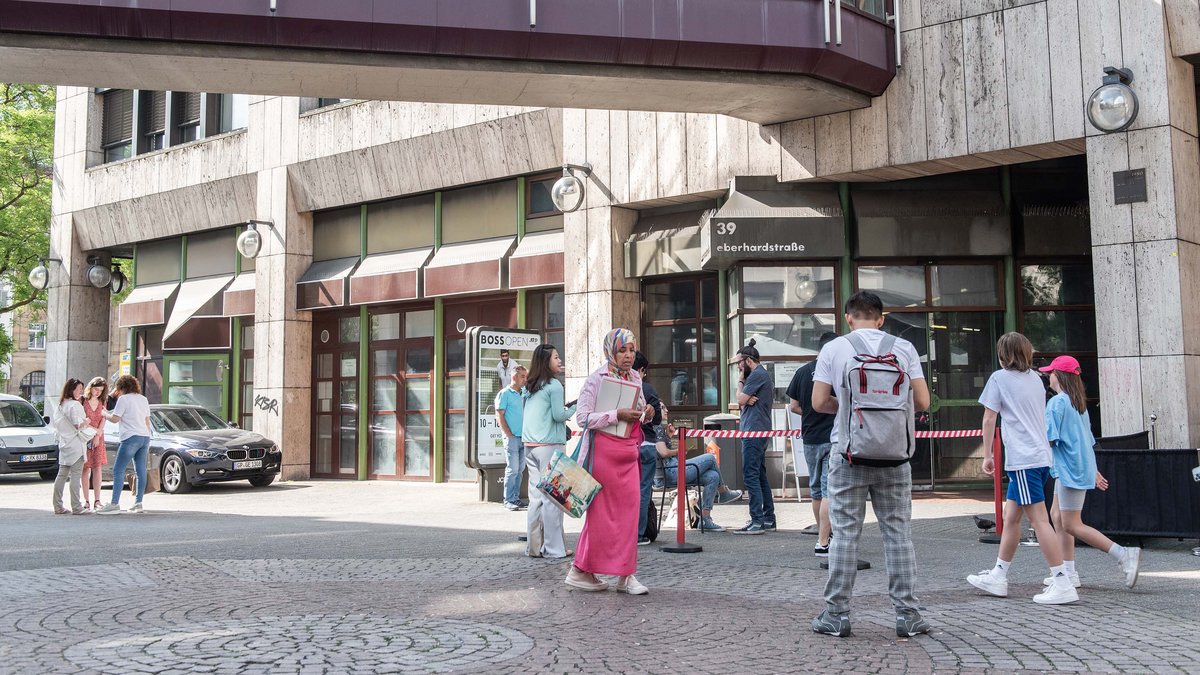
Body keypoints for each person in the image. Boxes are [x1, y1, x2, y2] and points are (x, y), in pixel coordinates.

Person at [810, 291, 932, 638]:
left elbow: (819, 402)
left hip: (849, 452)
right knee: (897, 534)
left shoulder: (834, 348)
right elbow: (923, 400)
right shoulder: (904, 348)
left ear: (848, 318)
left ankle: (836, 614)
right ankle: (908, 615)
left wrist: (851, 405)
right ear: (881, 318)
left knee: (846, 533)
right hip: (895, 455)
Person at [966, 333, 1078, 604]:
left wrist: (988, 455)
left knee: (1039, 520)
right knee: (1011, 517)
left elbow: (989, 417)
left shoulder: (999, 378)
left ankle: (1062, 581)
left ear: (1003, 354)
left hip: (1023, 459)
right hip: (1039, 457)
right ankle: (999, 575)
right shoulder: (1036, 381)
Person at [566, 328, 654, 595]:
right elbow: (582, 418)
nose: (628, 356)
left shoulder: (636, 377)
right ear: (610, 352)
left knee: (630, 515)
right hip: (603, 455)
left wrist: (647, 413)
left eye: (631, 350)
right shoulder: (595, 379)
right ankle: (581, 569)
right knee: (599, 517)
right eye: (622, 350)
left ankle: (626, 575)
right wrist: (616, 414)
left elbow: (638, 413)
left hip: (628, 452)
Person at [1040, 355, 1141, 589]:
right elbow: (1088, 441)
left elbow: (1049, 439)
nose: (1048, 377)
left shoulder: (1056, 403)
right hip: (1075, 468)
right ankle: (1068, 571)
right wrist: (1092, 470)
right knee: (1058, 517)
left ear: (1059, 377)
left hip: (1068, 470)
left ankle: (1123, 554)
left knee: (1072, 524)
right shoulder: (1079, 405)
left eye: (1051, 373)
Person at [521, 344, 576, 558]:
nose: (559, 360)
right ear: (546, 362)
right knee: (553, 499)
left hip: (530, 447)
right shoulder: (554, 386)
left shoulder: (530, 386)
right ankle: (554, 549)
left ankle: (534, 547)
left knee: (536, 498)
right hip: (549, 446)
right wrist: (574, 408)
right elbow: (558, 416)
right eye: (556, 357)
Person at [787, 331, 838, 557]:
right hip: (832, 437)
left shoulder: (802, 372)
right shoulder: (837, 372)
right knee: (829, 491)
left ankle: (822, 532)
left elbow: (793, 405)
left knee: (816, 491)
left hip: (809, 438)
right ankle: (824, 540)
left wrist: (810, 410)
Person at [653, 419, 738, 532]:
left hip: (671, 470)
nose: (666, 410)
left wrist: (668, 436)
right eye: (663, 407)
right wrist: (679, 450)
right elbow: (663, 452)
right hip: (671, 472)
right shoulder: (657, 427)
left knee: (713, 476)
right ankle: (723, 492)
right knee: (710, 458)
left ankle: (705, 518)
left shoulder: (658, 429)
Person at [732, 338, 775, 534]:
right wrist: (745, 399)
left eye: (741, 365)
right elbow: (743, 401)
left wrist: (741, 383)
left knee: (750, 475)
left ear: (749, 361)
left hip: (753, 431)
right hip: (758, 430)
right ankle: (768, 518)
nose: (740, 369)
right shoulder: (760, 375)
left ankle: (757, 521)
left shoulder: (756, 375)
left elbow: (739, 399)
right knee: (759, 475)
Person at [95, 375, 152, 515]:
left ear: (122, 387)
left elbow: (115, 419)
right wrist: (149, 438)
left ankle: (114, 503)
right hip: (144, 437)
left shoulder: (124, 399)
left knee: (118, 470)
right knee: (140, 471)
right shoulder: (143, 399)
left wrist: (103, 413)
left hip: (130, 437)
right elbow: (147, 420)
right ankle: (138, 503)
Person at [634, 351, 663, 545]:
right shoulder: (648, 389)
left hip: (628, 444)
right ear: (642, 369)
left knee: (628, 489)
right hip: (647, 444)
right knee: (644, 489)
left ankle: (626, 531)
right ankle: (639, 533)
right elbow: (658, 419)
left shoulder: (622, 387)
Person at [51, 378, 90, 515]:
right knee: (75, 476)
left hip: (64, 444)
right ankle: (77, 507)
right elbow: (77, 425)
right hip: (76, 445)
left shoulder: (60, 406)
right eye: (79, 389)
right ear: (72, 389)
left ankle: (58, 506)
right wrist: (86, 421)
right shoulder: (75, 405)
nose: (81, 392)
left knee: (61, 475)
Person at [496, 364, 529, 511]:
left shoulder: (524, 394)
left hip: (524, 437)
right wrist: (508, 433)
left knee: (520, 469)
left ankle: (515, 498)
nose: (525, 379)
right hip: (512, 438)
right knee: (512, 469)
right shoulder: (504, 393)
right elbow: (499, 415)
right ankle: (508, 499)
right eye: (523, 376)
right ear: (514, 377)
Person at [80, 376, 109, 511]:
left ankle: (97, 500)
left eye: (101, 390)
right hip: (85, 437)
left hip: (98, 438)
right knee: (85, 468)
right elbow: (81, 420)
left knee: (97, 468)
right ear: (90, 387)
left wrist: (98, 434)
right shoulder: (82, 401)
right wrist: (95, 431)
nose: (98, 392)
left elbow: (103, 419)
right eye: (96, 389)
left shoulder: (103, 401)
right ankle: (86, 500)